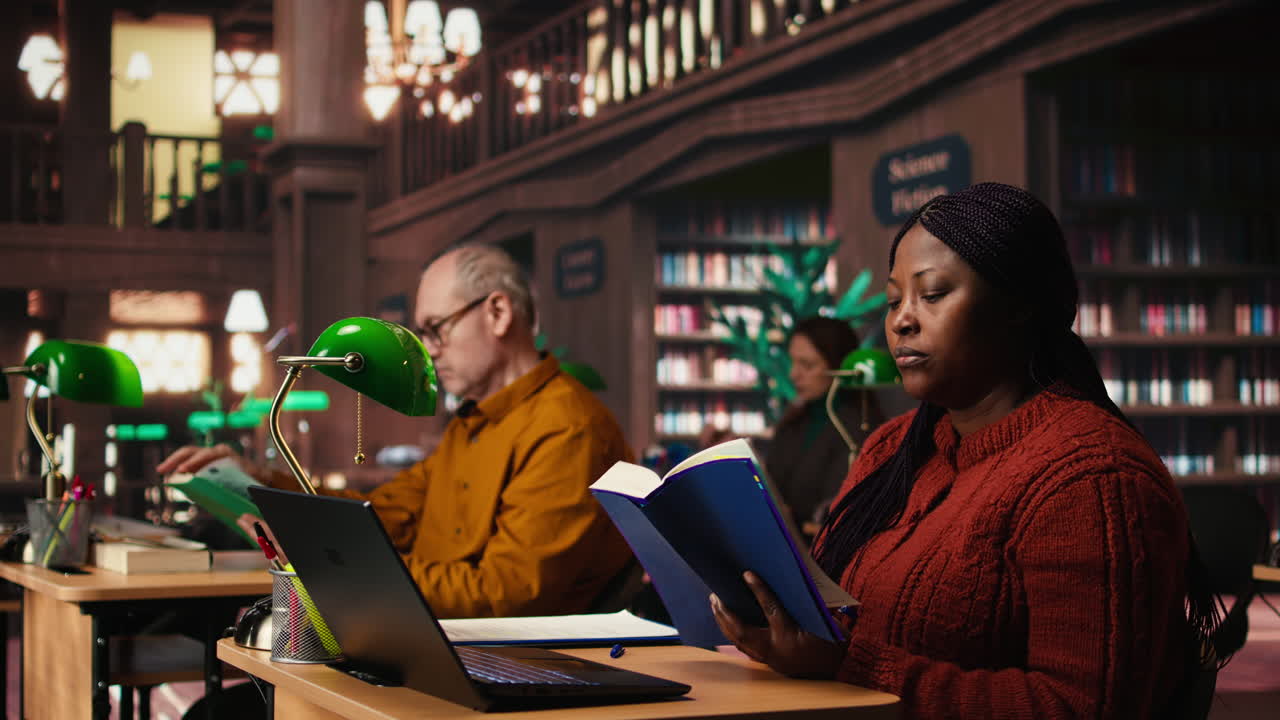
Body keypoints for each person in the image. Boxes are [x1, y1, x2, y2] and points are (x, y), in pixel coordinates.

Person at [709, 183, 1220, 718]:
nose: (901, 320)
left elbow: (1079, 707)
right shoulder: (890, 449)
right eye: (892, 301)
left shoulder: (1092, 477)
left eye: (931, 295)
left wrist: (849, 666)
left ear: (1018, 304)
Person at [159, 244, 634, 618]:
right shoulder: (472, 424)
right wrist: (260, 482)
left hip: (507, 668)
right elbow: (379, 515)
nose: (429, 351)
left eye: (435, 328)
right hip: (434, 641)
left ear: (498, 313)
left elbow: (505, 595)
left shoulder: (567, 428)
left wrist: (343, 568)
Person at [765, 316, 883, 531]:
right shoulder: (794, 420)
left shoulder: (860, 428)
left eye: (807, 365)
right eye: (793, 362)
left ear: (837, 365)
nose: (793, 374)